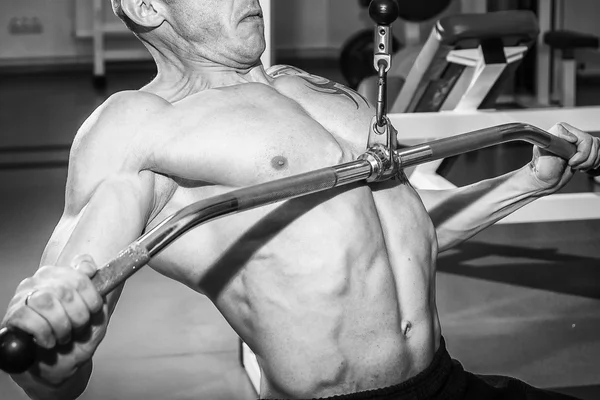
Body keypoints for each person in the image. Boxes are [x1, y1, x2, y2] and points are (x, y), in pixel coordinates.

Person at [2, 1, 599, 399]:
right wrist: (56, 345)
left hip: (445, 379)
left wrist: (528, 183)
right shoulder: (140, 127)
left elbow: (400, 235)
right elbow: (59, 305)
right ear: (146, 5)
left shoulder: (307, 87)